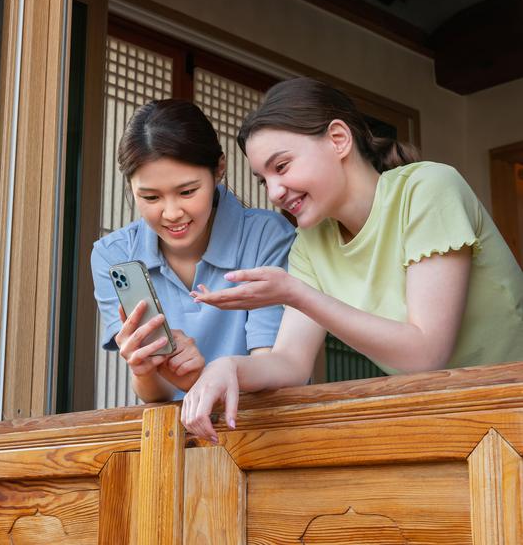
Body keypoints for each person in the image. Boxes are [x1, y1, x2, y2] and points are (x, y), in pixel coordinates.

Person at [182, 77, 523, 441]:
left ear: (338, 139)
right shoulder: (310, 244)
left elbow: (426, 353)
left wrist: (295, 294)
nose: (275, 193)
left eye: (281, 167)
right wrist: (226, 367)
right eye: (264, 180)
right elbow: (291, 363)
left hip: (511, 400)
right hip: (446, 418)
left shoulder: (429, 189)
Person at [91, 99, 295, 402]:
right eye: (150, 197)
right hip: (176, 433)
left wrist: (201, 379)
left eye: (187, 192)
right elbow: (153, 394)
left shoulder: (267, 237)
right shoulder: (114, 255)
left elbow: (274, 376)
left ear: (219, 170)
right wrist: (144, 370)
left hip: (265, 429)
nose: (171, 213)